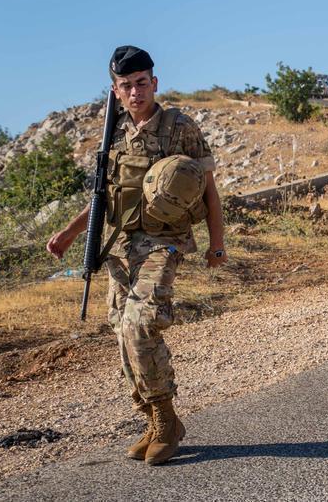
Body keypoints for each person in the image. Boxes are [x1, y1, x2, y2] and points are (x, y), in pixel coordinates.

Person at [46, 46, 225, 465]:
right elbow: (103, 196)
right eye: (126, 86)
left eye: (141, 83)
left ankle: (165, 419)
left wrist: (217, 244)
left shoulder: (180, 127)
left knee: (142, 323)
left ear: (154, 83)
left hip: (165, 242)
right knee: (121, 332)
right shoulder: (116, 134)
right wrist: (70, 234)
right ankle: (153, 416)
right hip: (123, 245)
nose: (135, 92)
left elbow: (211, 191)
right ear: (116, 91)